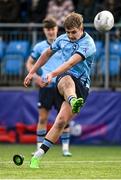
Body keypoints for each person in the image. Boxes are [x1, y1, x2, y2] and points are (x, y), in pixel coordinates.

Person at [24, 12, 96, 168]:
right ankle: (72, 100)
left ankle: (38, 155)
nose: (70, 35)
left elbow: (70, 63)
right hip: (64, 79)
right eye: (68, 32)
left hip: (82, 85)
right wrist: (31, 72)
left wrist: (51, 73)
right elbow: (46, 54)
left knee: (61, 122)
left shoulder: (88, 44)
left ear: (81, 27)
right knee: (67, 78)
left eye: (73, 32)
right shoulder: (62, 38)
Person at [26, 16, 72, 157]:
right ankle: (39, 148)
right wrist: (36, 77)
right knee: (42, 119)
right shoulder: (39, 47)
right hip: (45, 86)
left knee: (65, 119)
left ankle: (65, 149)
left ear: (57, 29)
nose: (51, 32)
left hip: (61, 85)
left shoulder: (65, 43)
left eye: (52, 29)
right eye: (48, 29)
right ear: (44, 31)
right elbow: (29, 64)